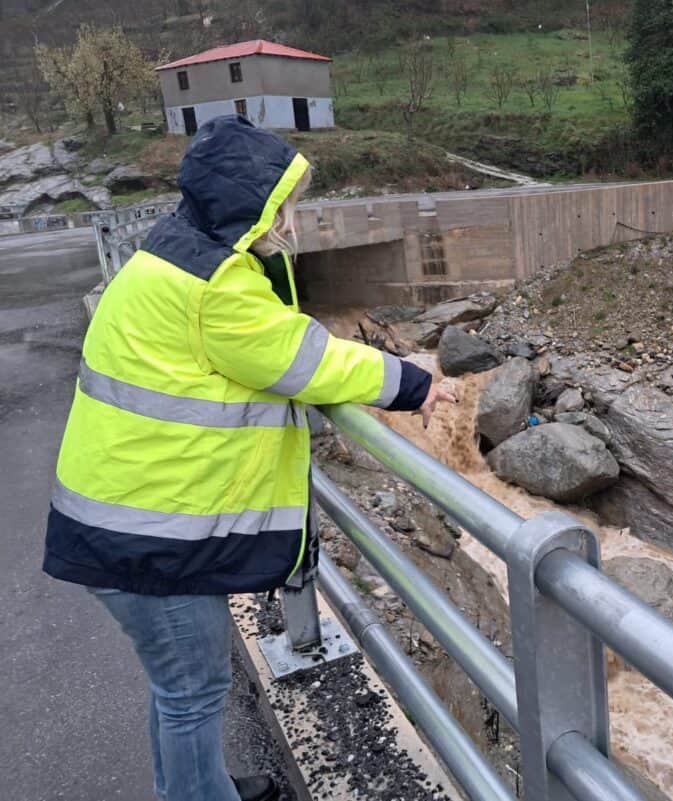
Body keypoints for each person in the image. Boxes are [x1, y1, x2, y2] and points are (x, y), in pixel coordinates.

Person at [42, 116, 454, 801]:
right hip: (144, 536)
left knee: (179, 688)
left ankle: (197, 783)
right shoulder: (216, 283)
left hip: (127, 516)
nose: (292, 222)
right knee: (192, 690)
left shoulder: (172, 252)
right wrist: (412, 381)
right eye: (283, 205)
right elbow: (303, 358)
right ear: (247, 204)